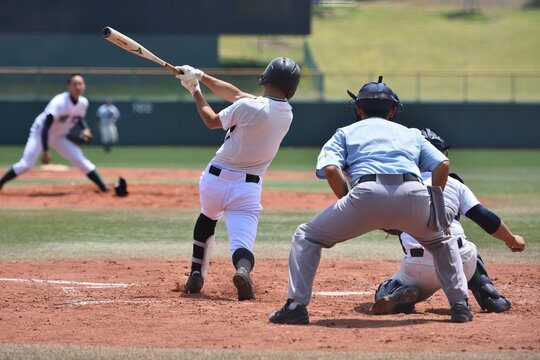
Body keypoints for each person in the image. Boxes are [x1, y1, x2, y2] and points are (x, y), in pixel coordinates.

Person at [269, 76, 472, 325]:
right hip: (413, 193)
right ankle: (460, 305)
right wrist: (436, 209)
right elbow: (443, 164)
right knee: (441, 241)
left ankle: (296, 306)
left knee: (307, 236)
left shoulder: (345, 132)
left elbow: (332, 170)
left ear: (359, 109)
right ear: (394, 110)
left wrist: (351, 205)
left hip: (365, 192)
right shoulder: (411, 134)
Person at [175, 57, 301, 301]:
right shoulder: (287, 113)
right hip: (248, 188)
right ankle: (242, 271)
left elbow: (212, 121)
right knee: (242, 244)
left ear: (267, 77)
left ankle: (195, 273)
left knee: (207, 218)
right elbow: (238, 95)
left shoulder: (248, 107)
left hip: (214, 181)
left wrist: (196, 90)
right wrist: (201, 76)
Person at [370, 128, 525, 315]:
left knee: (383, 290)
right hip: (460, 261)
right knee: (468, 250)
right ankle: (489, 294)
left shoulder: (397, 185)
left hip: (419, 271)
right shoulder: (455, 183)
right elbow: (485, 217)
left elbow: (382, 221)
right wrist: (511, 239)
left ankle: (399, 293)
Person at [0, 74, 108, 192]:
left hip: (59, 136)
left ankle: (104, 189)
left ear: (84, 86)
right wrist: (45, 151)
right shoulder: (59, 102)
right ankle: (1, 183)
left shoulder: (83, 103)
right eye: (75, 84)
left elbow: (80, 118)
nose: (78, 86)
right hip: (40, 133)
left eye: (81, 83)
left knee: (80, 160)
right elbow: (46, 126)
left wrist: (85, 129)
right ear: (69, 86)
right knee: (26, 164)